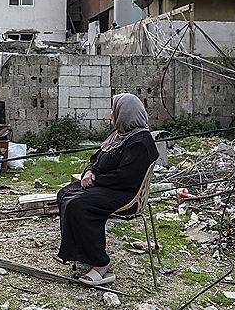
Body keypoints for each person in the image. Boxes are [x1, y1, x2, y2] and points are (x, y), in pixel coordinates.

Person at [56, 93, 159, 285]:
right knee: (64, 194)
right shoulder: (119, 135)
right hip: (106, 186)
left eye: (115, 110)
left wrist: (95, 180)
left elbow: (125, 177)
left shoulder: (140, 142)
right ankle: (81, 253)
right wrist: (88, 172)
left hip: (124, 194)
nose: (111, 114)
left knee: (78, 204)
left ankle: (101, 262)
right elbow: (96, 158)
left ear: (125, 113)